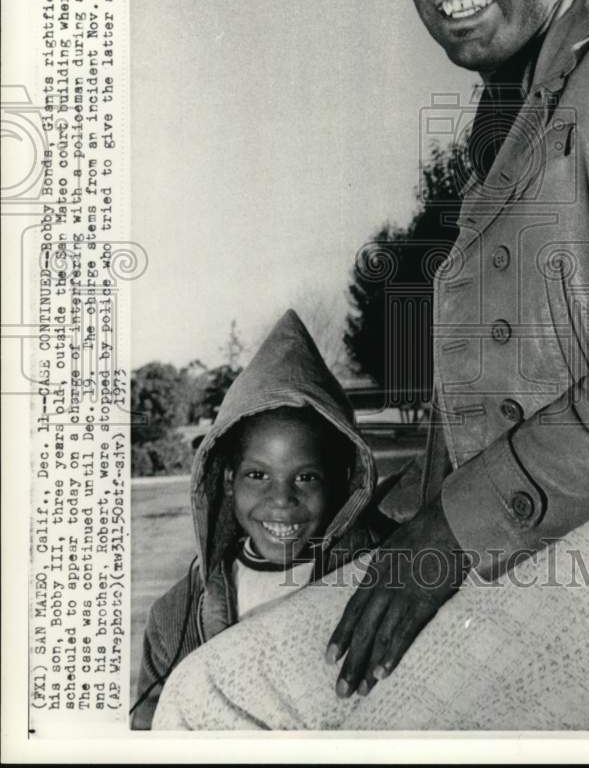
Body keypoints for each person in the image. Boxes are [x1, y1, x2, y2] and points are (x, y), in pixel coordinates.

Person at [153, 0, 589, 730]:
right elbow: (496, 402)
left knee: (347, 728)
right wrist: (395, 524)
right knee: (207, 688)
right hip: (532, 539)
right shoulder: (510, 129)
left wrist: (451, 531)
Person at [131, 309, 394, 728]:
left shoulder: (385, 576)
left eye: (307, 477)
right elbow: (151, 727)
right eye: (258, 475)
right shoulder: (176, 617)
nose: (281, 500)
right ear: (228, 480)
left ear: (345, 480)